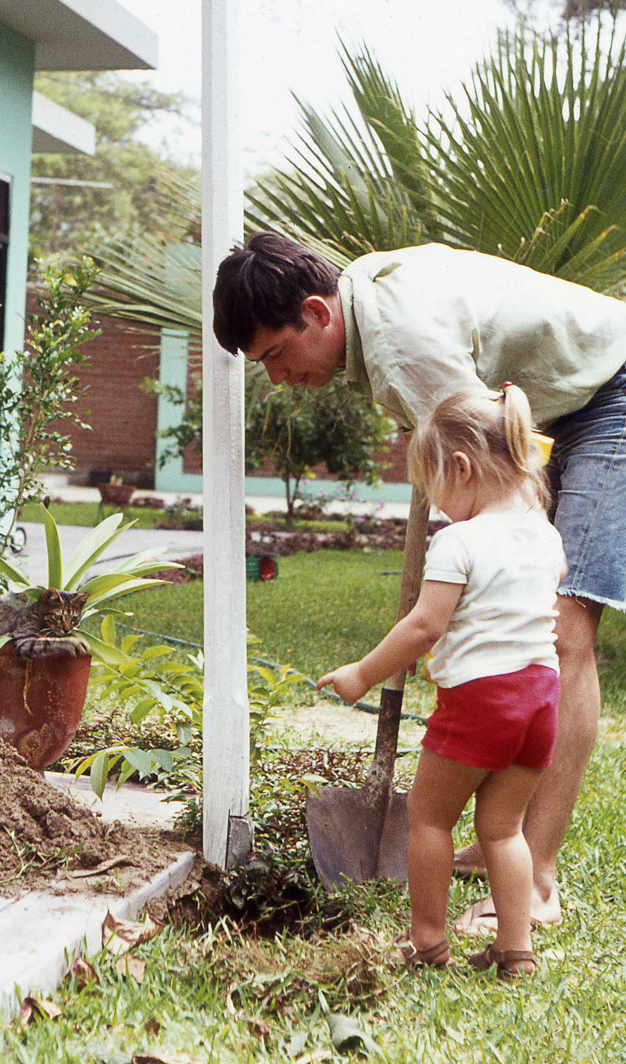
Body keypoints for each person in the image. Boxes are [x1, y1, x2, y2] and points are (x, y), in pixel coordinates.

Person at [213, 233, 626, 933]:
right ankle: (504, 840)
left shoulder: (401, 347)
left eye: (276, 357)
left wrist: (464, 585)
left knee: (558, 630)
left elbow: (495, 476)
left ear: (316, 312)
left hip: (612, 391)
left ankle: (535, 875)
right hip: (574, 401)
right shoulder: (370, 294)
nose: (278, 378)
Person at [316, 385, 567, 974]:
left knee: (429, 817)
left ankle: (427, 942)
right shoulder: (546, 535)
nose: (437, 506)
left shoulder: (460, 540)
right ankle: (515, 951)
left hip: (482, 699)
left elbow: (425, 625)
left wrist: (362, 674)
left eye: (437, 489)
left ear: (462, 467)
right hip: (540, 699)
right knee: (504, 830)